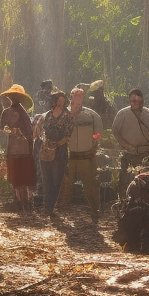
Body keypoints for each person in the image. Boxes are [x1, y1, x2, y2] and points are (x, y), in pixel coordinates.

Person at [58, 86, 104, 221]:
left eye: (80, 96)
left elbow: (99, 132)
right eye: (74, 96)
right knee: (65, 184)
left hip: (87, 157)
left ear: (83, 98)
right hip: (69, 156)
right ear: (71, 97)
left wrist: (92, 140)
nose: (77, 99)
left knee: (91, 185)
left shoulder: (91, 115)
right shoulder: (64, 114)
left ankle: (95, 210)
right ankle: (60, 210)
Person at [0, 84, 37, 211]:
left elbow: (28, 132)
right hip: (16, 149)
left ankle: (25, 201)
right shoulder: (8, 112)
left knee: (22, 175)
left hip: (22, 150)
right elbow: (1, 129)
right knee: (18, 175)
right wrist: (6, 130)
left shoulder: (22, 114)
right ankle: (21, 201)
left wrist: (14, 132)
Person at [112, 88, 149, 186]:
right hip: (129, 153)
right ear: (130, 101)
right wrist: (125, 145)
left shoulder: (148, 113)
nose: (136, 102)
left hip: (146, 153)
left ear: (142, 100)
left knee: (148, 180)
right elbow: (115, 132)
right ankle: (124, 199)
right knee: (127, 180)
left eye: (138, 100)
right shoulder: (123, 114)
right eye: (133, 100)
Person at [38, 91, 73, 220]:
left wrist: (56, 144)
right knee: (46, 179)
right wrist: (45, 142)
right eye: (57, 101)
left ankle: (51, 207)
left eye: (62, 102)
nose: (59, 104)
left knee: (56, 180)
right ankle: (47, 208)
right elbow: (40, 130)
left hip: (60, 152)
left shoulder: (68, 116)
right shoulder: (46, 115)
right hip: (45, 150)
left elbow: (68, 135)